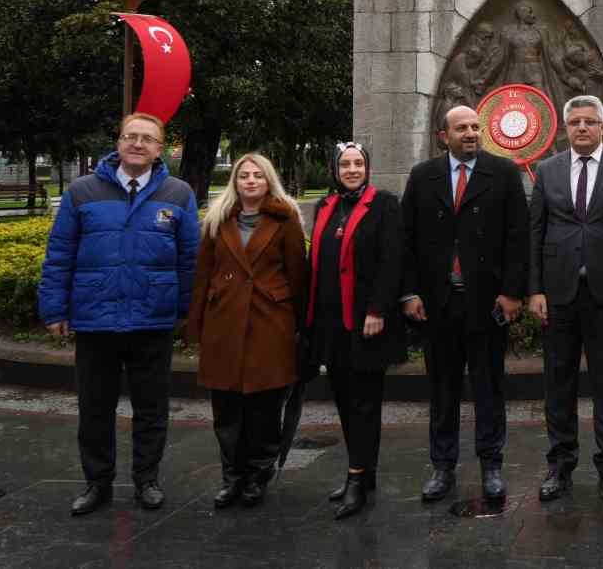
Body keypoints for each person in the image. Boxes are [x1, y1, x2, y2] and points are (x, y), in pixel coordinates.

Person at [37, 112, 200, 516]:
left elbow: (190, 261)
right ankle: (97, 482)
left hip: (153, 320)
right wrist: (55, 307)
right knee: (95, 408)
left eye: (148, 138)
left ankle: (147, 480)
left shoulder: (179, 194)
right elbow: (59, 255)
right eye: (131, 136)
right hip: (96, 320)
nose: (138, 144)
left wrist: (187, 311)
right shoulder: (82, 191)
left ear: (160, 148)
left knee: (152, 409)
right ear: (119, 141)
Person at [400, 105, 529, 503]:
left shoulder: (504, 173)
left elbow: (518, 238)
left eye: (475, 126)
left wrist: (511, 293)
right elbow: (405, 240)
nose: (471, 133)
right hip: (438, 305)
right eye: (462, 128)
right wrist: (409, 293)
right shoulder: (423, 177)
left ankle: (491, 465)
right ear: (445, 136)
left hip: (486, 302)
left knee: (489, 387)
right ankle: (443, 466)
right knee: (442, 390)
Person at [527, 94, 603, 503]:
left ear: (602, 126)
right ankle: (559, 466)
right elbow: (535, 233)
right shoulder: (546, 170)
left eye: (589, 121)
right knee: (557, 385)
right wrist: (535, 289)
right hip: (558, 296)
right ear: (566, 127)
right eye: (575, 121)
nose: (582, 127)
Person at [184, 152, 309, 509]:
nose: (251, 180)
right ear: (235, 183)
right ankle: (232, 477)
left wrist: (301, 327)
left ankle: (257, 476)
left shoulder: (285, 221)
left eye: (258, 175)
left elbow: (297, 277)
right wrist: (196, 326)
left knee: (265, 410)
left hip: (270, 324)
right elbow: (202, 275)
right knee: (226, 410)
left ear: (268, 180)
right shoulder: (217, 220)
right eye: (244, 176)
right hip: (224, 323)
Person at [305, 141, 405, 520]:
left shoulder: (385, 204)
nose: (351, 169)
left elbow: (392, 260)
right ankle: (364, 472)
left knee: (364, 403)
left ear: (368, 167)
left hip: (367, 323)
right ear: (335, 169)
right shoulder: (325, 207)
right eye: (344, 164)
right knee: (345, 402)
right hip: (331, 323)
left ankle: (356, 479)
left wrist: (378, 308)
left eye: (358, 163)